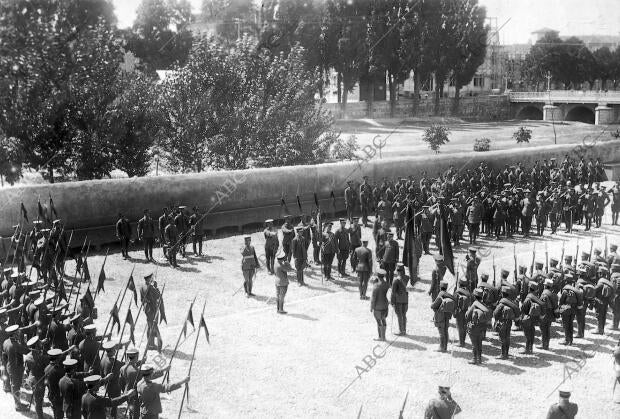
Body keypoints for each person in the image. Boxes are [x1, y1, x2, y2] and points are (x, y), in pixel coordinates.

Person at [2, 324, 29, 411]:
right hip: (16, 369)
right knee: (16, 387)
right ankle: (18, 405)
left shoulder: (6, 342)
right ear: (14, 334)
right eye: (18, 332)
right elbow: (27, 351)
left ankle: (18, 403)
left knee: (15, 386)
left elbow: (4, 356)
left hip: (10, 366)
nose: (19, 332)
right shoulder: (16, 345)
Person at [493, 287, 520, 359]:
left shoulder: (501, 303)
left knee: (502, 338)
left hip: (502, 323)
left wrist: (496, 319)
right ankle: (507, 353)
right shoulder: (512, 303)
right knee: (507, 337)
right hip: (509, 323)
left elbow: (495, 313)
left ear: (502, 294)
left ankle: (503, 354)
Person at [466, 288, 490, 364]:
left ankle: (474, 359)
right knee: (479, 343)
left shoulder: (474, 304)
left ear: (474, 296)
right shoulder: (484, 305)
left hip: (473, 328)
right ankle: (479, 359)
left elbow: (467, 316)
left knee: (474, 344)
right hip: (482, 328)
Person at [431, 281, 456, 352]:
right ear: (446, 287)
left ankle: (442, 348)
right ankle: (445, 347)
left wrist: (432, 305)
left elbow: (434, 305)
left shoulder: (441, 294)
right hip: (447, 316)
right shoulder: (449, 295)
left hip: (440, 316)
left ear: (440, 287)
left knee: (441, 332)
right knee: (445, 331)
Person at [520, 282, 544, 354]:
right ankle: (531, 349)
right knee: (532, 333)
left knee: (527, 335)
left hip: (527, 319)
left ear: (529, 289)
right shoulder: (536, 298)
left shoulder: (528, 298)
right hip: (533, 319)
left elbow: (523, 309)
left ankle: (527, 349)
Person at [140, 274, 162, 351]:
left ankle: (150, 344)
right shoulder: (150, 288)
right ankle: (151, 345)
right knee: (153, 326)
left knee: (150, 326)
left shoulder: (142, 286)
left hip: (147, 309)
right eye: (151, 278)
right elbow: (157, 296)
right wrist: (156, 287)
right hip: (151, 309)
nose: (152, 279)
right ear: (148, 279)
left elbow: (141, 299)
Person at [370, 269, 389, 341]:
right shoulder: (387, 284)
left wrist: (371, 307)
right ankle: (384, 337)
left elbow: (373, 298)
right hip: (385, 305)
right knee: (383, 320)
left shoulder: (376, 285)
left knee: (378, 321)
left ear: (377, 276)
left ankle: (381, 337)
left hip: (378, 306)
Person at [539, 278, 558, 350]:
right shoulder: (553, 294)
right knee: (547, 329)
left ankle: (544, 345)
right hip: (550, 314)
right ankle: (546, 345)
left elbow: (542, 304)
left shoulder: (544, 294)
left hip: (545, 313)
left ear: (546, 286)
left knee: (543, 329)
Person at [391, 264, 408, 335]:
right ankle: (404, 330)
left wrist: (392, 301)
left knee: (399, 315)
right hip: (405, 298)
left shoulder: (396, 280)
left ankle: (401, 331)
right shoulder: (407, 277)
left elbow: (393, 292)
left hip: (398, 300)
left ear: (397, 270)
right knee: (404, 315)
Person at [275, 249, 294, 314]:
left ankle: (278, 308)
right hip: (283, 282)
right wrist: (287, 263)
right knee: (282, 296)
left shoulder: (276, 264)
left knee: (278, 295)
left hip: (277, 281)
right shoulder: (282, 265)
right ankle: (281, 309)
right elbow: (289, 269)